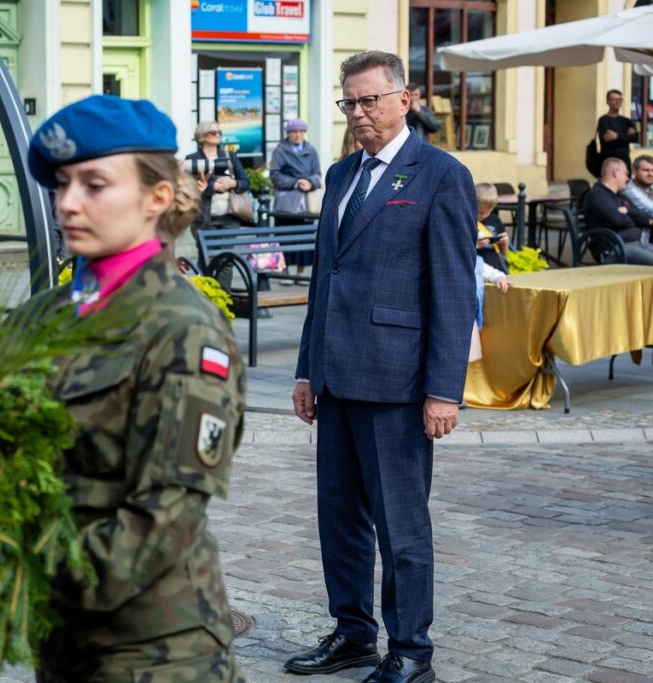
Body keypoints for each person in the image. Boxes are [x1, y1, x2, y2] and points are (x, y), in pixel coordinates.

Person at [23, 94, 248, 682]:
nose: (68, 203)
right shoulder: (39, 317)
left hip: (156, 647)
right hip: (63, 638)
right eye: (62, 184)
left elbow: (162, 518)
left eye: (94, 185)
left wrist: (14, 573)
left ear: (157, 198)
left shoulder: (185, 332)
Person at [287, 51, 476, 683]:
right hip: (337, 376)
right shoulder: (341, 174)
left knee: (400, 527)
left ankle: (411, 649)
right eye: (349, 102)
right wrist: (307, 369)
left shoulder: (440, 174)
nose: (359, 113)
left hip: (398, 382)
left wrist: (443, 390)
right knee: (338, 518)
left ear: (405, 99)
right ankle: (353, 632)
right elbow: (326, 282)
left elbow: (452, 290)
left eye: (370, 100)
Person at [270, 118, 323, 275]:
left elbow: (317, 174)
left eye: (301, 131)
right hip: (286, 202)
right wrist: (295, 182)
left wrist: (310, 183)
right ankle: (284, 270)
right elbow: (275, 175)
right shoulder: (280, 150)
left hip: (305, 202)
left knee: (304, 237)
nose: (298, 135)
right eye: (294, 132)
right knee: (285, 236)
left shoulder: (311, 150)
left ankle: (301, 272)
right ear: (288, 134)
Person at [583, 157, 653, 265]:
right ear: (616, 173)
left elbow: (640, 215)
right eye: (626, 174)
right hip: (613, 248)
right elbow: (619, 220)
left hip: (634, 242)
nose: (627, 179)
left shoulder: (619, 196)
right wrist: (630, 217)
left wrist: (627, 212)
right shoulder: (597, 195)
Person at [185, 121, 250, 229]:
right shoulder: (192, 159)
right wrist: (213, 187)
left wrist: (233, 183)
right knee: (206, 246)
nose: (218, 134)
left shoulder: (229, 156)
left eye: (219, 132)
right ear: (202, 135)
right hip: (203, 218)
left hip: (231, 216)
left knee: (228, 246)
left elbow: (245, 182)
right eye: (213, 132)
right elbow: (189, 188)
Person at [468, 253, 512, 363]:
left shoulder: (477, 261)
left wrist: (500, 278)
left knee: (468, 357)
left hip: (469, 316)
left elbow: (493, 273)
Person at [598, 89, 638, 175]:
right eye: (614, 99)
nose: (617, 102)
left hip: (625, 161)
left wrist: (617, 136)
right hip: (609, 162)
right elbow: (608, 140)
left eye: (620, 99)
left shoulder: (626, 121)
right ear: (608, 102)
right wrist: (626, 136)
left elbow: (635, 138)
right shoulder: (603, 120)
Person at [474, 182, 509, 273]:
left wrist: (504, 244)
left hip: (498, 269)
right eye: (480, 212)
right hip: (478, 270)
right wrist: (476, 245)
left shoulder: (495, 220)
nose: (484, 215)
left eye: (487, 212)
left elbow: (504, 254)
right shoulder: (468, 221)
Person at [622, 154, 653, 221]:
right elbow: (650, 208)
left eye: (652, 171)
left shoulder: (650, 187)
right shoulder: (629, 189)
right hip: (641, 230)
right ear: (634, 171)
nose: (650, 174)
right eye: (646, 170)